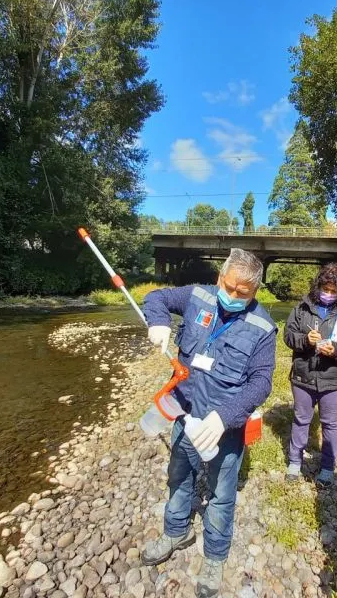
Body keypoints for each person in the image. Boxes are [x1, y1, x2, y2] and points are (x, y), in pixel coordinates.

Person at [140, 248, 277, 598]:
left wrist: (224, 417)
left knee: (220, 493)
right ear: (220, 279)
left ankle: (215, 556)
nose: (232, 296)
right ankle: (175, 531)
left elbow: (261, 383)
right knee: (179, 475)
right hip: (184, 411)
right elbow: (155, 296)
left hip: (222, 428)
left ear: (255, 291)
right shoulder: (198, 296)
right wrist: (158, 321)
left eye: (242, 293)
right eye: (228, 287)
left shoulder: (262, 327)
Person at [284, 263, 337, 488]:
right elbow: (288, 335)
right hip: (303, 376)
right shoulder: (302, 308)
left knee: (330, 422)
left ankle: (328, 467)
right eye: (325, 289)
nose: (328, 294)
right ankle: (293, 462)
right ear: (317, 286)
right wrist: (304, 341)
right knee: (301, 419)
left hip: (334, 379)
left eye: (333, 291)